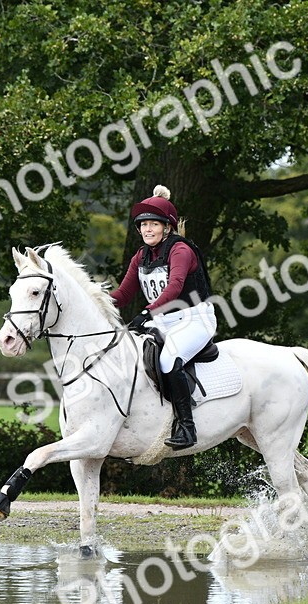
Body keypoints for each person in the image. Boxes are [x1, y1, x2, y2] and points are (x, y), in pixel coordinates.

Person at [109, 185, 216, 450]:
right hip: (162, 321)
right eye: (143, 225)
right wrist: (95, 302)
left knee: (169, 360)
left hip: (194, 318)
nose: (147, 230)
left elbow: (175, 287)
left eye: (153, 224)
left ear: (167, 227)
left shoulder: (181, 250)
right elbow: (123, 293)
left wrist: (147, 312)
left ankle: (187, 429)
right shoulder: (140, 256)